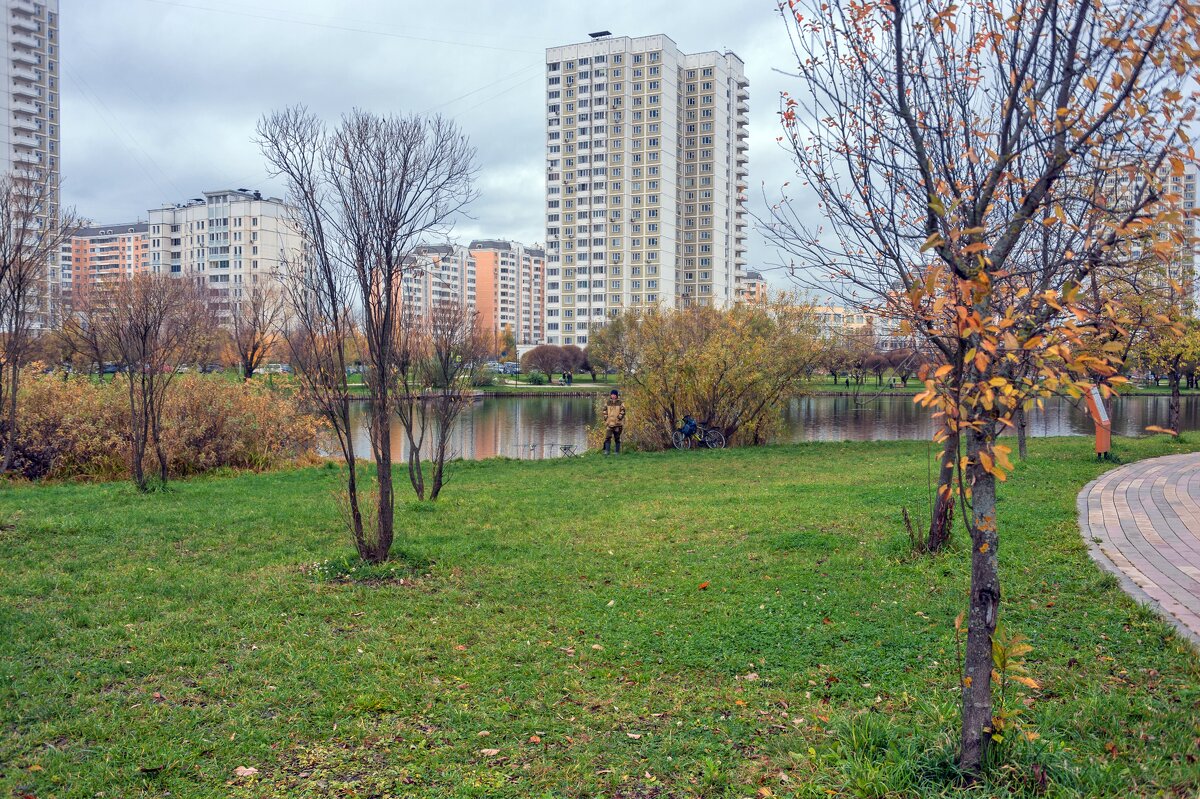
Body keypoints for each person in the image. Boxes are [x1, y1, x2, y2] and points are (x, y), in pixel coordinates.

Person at [602, 389, 626, 455]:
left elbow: (623, 411)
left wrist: (619, 417)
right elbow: (604, 410)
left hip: (617, 424)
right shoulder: (607, 402)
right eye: (612, 394)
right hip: (609, 423)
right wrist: (605, 417)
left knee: (617, 438)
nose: (613, 396)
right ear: (610, 395)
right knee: (607, 437)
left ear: (616, 395)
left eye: (614, 395)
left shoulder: (620, 403)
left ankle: (617, 452)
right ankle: (607, 451)